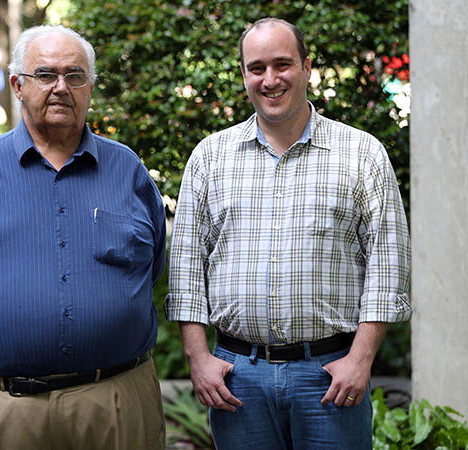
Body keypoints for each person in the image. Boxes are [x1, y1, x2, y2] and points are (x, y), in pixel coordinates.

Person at [166, 18, 411, 449]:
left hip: (331, 375)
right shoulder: (209, 158)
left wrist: (361, 359)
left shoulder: (362, 154)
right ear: (243, 75)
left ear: (307, 67)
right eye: (256, 68)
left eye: (282, 64)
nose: (270, 79)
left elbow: (388, 266)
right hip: (237, 378)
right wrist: (198, 359)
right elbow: (186, 268)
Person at [0, 25, 167, 450]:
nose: (61, 87)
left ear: (90, 87)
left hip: (116, 403)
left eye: (75, 76)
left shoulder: (127, 170)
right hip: (4, 409)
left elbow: (153, 265)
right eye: (45, 74)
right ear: (17, 86)